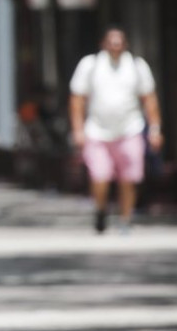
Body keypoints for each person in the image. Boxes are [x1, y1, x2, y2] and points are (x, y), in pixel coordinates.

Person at [69, 26, 164, 234]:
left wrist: (155, 128)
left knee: (128, 178)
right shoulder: (90, 65)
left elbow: (149, 100)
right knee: (100, 176)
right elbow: (77, 99)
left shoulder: (137, 66)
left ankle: (126, 218)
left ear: (125, 44)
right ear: (103, 44)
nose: (115, 46)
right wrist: (77, 129)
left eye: (119, 42)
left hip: (130, 129)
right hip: (97, 130)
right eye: (111, 42)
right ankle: (101, 210)